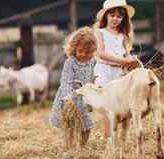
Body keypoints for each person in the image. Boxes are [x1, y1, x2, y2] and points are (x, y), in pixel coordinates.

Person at [93, 0, 138, 139]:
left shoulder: (123, 36)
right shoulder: (100, 33)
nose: (115, 18)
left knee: (122, 105)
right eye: (112, 15)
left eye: (119, 16)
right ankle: (108, 137)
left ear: (123, 18)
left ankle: (121, 136)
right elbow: (101, 53)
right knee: (108, 105)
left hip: (119, 74)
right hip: (104, 71)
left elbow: (126, 53)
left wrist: (131, 60)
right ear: (106, 16)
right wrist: (123, 61)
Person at [49, 26, 97, 146]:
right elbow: (66, 81)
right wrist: (69, 97)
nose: (84, 55)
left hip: (83, 98)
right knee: (69, 124)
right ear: (73, 48)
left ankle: (82, 146)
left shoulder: (92, 61)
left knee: (87, 125)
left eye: (88, 52)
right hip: (69, 98)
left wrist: (94, 88)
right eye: (80, 51)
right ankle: (69, 146)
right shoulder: (70, 62)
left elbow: (94, 76)